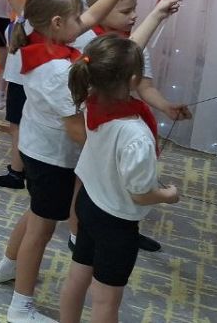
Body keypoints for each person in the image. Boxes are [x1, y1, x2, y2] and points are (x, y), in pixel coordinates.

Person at [0, 0, 146, 323]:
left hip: (37, 148)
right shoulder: (57, 71)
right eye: (77, 19)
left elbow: (91, 15)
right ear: (58, 23)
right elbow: (77, 131)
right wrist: (114, 152)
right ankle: (20, 306)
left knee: (36, 214)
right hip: (52, 157)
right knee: (42, 228)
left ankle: (7, 266)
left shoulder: (41, 37)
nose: (84, 23)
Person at [59, 29, 182, 323]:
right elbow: (140, 193)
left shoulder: (91, 101)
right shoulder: (135, 135)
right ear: (134, 80)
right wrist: (168, 195)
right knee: (106, 301)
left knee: (77, 276)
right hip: (116, 223)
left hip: (88, 202)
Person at [82, 0, 193, 252]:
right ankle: (84, 233)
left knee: (127, 175)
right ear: (102, 10)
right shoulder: (89, 43)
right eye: (125, 11)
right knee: (95, 181)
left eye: (135, 9)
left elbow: (144, 85)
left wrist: (165, 106)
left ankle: (126, 221)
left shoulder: (133, 48)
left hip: (119, 121)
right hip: (97, 122)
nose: (133, 16)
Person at [0, 0, 50, 190]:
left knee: (18, 125)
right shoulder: (33, 17)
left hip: (23, 81)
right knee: (21, 125)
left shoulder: (34, 19)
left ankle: (17, 172)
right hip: (20, 80)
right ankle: (23, 168)